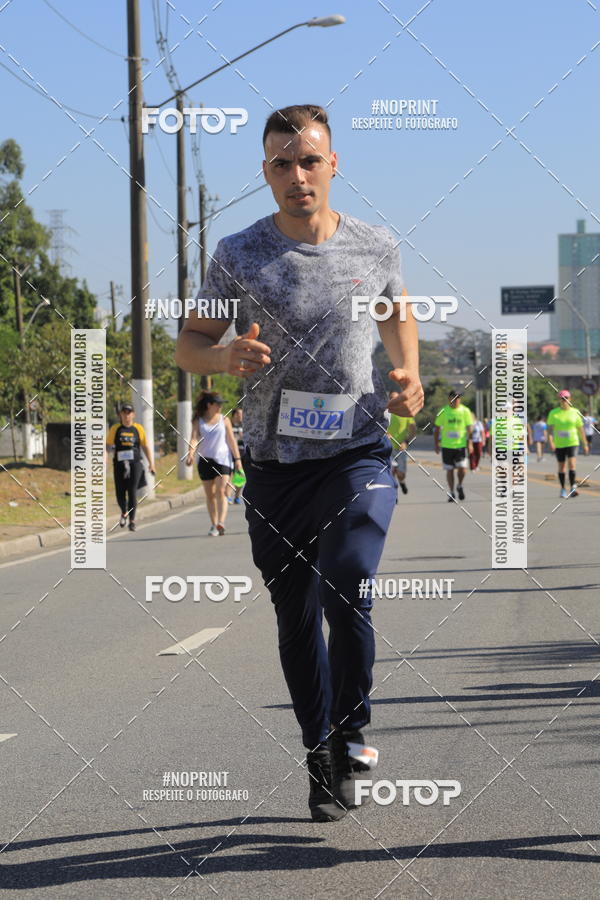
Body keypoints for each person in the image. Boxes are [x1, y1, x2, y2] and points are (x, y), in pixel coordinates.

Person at [176, 104, 423, 822]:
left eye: (309, 160)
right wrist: (219, 357)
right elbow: (189, 344)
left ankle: (352, 732)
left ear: (333, 165)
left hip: (358, 452)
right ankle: (319, 751)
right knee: (295, 615)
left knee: (348, 578)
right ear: (265, 173)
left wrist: (406, 371)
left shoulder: (374, 246)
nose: (296, 176)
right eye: (281, 164)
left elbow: (396, 311)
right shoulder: (238, 252)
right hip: (276, 466)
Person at [186, 392, 243, 535]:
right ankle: (213, 523)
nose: (220, 407)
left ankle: (221, 523)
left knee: (221, 490)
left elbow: (231, 441)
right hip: (205, 461)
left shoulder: (224, 420)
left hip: (223, 460)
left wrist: (237, 460)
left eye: (221, 404)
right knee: (210, 495)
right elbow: (194, 438)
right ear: (209, 405)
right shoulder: (198, 420)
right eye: (218, 404)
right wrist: (191, 454)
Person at [106, 403, 155, 532]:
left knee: (132, 490)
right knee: (120, 492)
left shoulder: (138, 428)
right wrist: (104, 459)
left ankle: (132, 521)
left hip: (135, 464)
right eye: (124, 412)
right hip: (119, 464)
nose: (126, 415)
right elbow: (108, 446)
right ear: (120, 414)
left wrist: (151, 463)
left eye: (129, 412)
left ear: (133, 414)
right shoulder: (115, 428)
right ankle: (124, 512)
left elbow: (145, 446)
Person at [547, 390, 589, 497]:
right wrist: (551, 442)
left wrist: (585, 444)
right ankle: (562, 489)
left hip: (573, 442)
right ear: (559, 400)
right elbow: (550, 431)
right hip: (559, 444)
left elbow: (581, 430)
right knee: (561, 467)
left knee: (572, 465)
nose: (564, 400)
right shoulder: (553, 413)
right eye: (562, 398)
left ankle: (572, 487)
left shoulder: (575, 412)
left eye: (566, 398)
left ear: (570, 399)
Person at [433, 391, 473, 501]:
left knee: (462, 469)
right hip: (447, 446)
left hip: (460, 445)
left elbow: (470, 429)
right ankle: (451, 492)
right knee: (449, 470)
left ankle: (460, 485)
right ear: (449, 399)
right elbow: (437, 429)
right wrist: (436, 444)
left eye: (457, 398)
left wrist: (470, 444)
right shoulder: (443, 411)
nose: (455, 401)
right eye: (453, 399)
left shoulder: (465, 411)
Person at [386, 400, 416, 495]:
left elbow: (413, 429)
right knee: (391, 471)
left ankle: (402, 482)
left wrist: (406, 442)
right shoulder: (385, 413)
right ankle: (394, 494)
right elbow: (377, 427)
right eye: (391, 398)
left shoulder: (406, 413)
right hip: (388, 448)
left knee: (401, 474)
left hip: (401, 449)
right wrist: (384, 433)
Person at [228, 408, 245, 504]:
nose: (241, 416)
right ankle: (228, 496)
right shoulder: (228, 425)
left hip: (242, 454)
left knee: (240, 476)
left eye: (242, 414)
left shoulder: (245, 425)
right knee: (229, 475)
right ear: (234, 415)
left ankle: (237, 497)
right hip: (230, 454)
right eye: (239, 414)